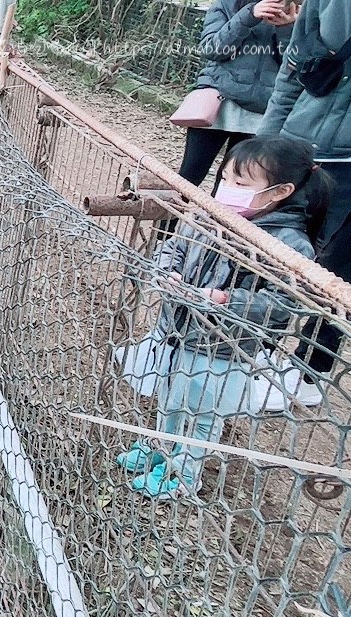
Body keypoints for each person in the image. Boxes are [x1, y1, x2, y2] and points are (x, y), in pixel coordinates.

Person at [117, 136, 333, 499]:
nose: (227, 189)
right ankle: (159, 448)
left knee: (203, 415)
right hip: (177, 331)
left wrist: (226, 299)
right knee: (170, 397)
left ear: (280, 191)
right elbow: (175, 245)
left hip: (222, 348)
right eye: (225, 179)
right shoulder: (210, 215)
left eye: (241, 184)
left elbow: (282, 303)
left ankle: (185, 475)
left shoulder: (290, 246)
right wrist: (169, 272)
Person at [258, 0, 351, 406]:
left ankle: (310, 372)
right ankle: (256, 349)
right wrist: (264, 145)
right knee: (275, 250)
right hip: (304, 148)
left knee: (339, 270)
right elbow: (293, 69)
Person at [177, 0, 299, 190]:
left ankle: (212, 221)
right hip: (219, 104)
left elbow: (294, 65)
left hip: (262, 112)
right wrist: (249, 15)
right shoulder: (226, 4)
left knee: (233, 186)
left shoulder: (296, 10)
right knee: (189, 176)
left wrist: (287, 28)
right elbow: (211, 49)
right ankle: (168, 220)